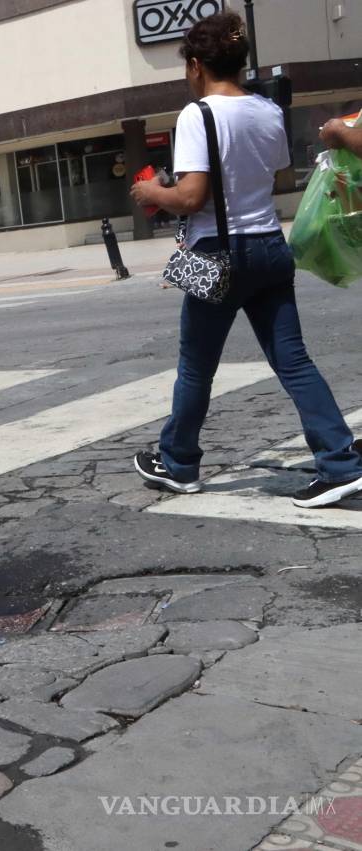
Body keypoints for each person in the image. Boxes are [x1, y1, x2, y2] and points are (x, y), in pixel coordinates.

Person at [130, 13, 362, 509]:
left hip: (218, 252)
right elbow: (278, 179)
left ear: (195, 66)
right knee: (293, 360)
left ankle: (178, 463)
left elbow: (191, 197)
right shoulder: (267, 110)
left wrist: (153, 190)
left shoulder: (198, 115)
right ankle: (340, 463)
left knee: (196, 368)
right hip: (269, 247)